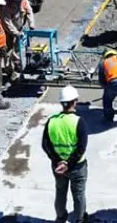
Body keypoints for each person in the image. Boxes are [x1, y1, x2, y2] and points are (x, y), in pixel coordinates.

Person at [42, 86, 89, 223]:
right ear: (75, 102)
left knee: (60, 191)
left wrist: (58, 161)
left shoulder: (52, 121)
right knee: (79, 194)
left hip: (58, 167)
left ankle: (61, 217)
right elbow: (81, 148)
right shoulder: (79, 122)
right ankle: (80, 219)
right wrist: (69, 164)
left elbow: (46, 145)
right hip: (77, 167)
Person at [1, 0, 36, 77]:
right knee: (8, 50)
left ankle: (17, 64)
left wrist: (31, 24)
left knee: (17, 48)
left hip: (20, 27)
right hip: (8, 32)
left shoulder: (24, 1)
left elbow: (29, 11)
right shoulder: (6, 7)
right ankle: (9, 69)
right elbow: (6, 22)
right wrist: (16, 33)